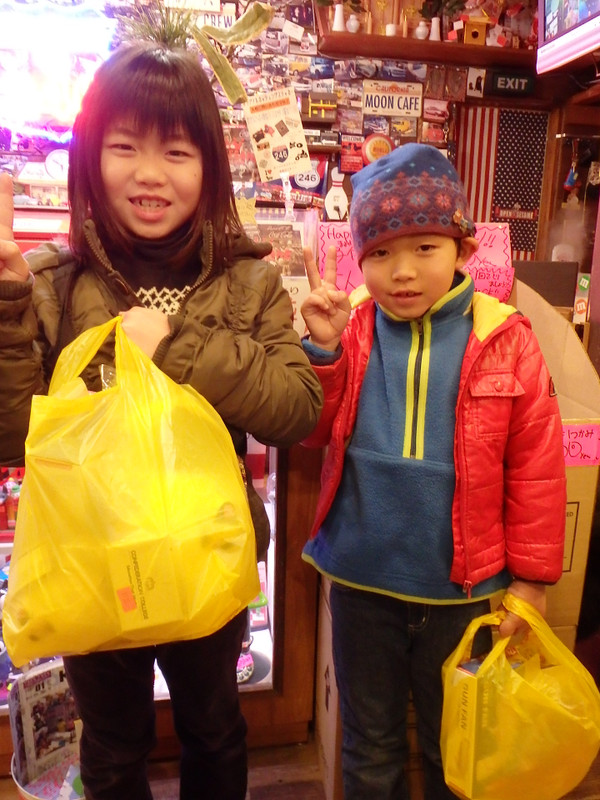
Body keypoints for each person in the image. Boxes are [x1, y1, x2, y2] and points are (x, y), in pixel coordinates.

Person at [0, 42, 323, 800]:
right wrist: (6, 306)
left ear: (209, 165)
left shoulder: (249, 280)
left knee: (215, 727)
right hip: (94, 561)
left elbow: (295, 408)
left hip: (207, 553)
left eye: (176, 151)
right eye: (124, 147)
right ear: (90, 159)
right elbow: (14, 435)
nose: (150, 173)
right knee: (114, 744)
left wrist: (177, 346)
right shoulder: (49, 284)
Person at [300, 143, 566, 800]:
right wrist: (323, 352)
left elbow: (536, 468)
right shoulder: (351, 326)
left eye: (425, 247)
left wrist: (532, 583)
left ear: (463, 249)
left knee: (458, 747)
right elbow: (310, 431)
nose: (403, 271)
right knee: (369, 746)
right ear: (360, 260)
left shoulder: (507, 336)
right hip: (361, 584)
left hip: (464, 596)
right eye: (381, 253)